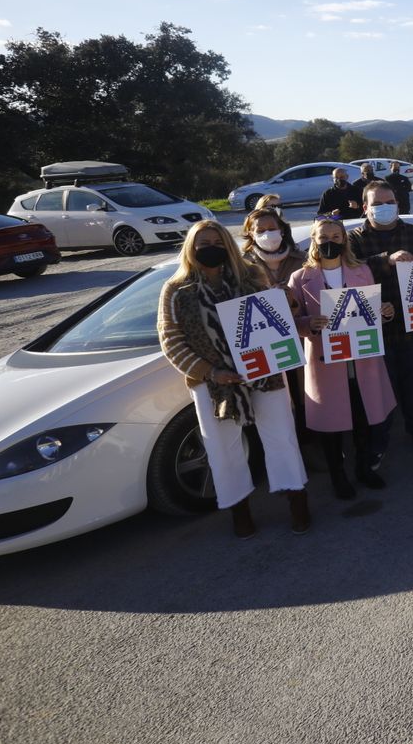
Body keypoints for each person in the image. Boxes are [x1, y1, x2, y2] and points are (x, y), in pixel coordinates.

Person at [158, 220, 309, 538]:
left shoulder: (251, 276)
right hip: (212, 383)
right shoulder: (176, 290)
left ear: (227, 244)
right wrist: (210, 371)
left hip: (263, 371)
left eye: (216, 241)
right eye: (202, 243)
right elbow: (170, 340)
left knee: (281, 436)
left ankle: (297, 498)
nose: (210, 247)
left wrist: (284, 300)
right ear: (191, 247)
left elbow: (275, 318)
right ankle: (239, 511)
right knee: (223, 450)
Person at [288, 218, 394, 499]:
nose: (330, 242)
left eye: (336, 236)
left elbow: (371, 313)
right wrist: (310, 322)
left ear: (345, 240)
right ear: (314, 239)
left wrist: (383, 311)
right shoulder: (300, 278)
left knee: (363, 418)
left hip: (360, 359)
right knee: (331, 426)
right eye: (324, 237)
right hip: (326, 362)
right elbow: (291, 320)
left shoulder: (362, 271)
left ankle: (363, 468)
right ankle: (338, 476)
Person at [349, 181, 413, 453]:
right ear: (365, 207)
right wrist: (385, 261)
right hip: (375, 334)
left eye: (389, 202)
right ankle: (378, 445)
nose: (385, 208)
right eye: (377, 204)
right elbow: (349, 273)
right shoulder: (353, 241)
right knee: (380, 395)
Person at [240, 206, 309, 444]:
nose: (268, 234)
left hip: (304, 341)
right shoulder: (241, 267)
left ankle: (310, 446)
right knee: (278, 404)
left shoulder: (303, 259)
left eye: (273, 228)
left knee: (305, 400)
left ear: (282, 230)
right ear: (250, 234)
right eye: (261, 230)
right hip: (267, 348)